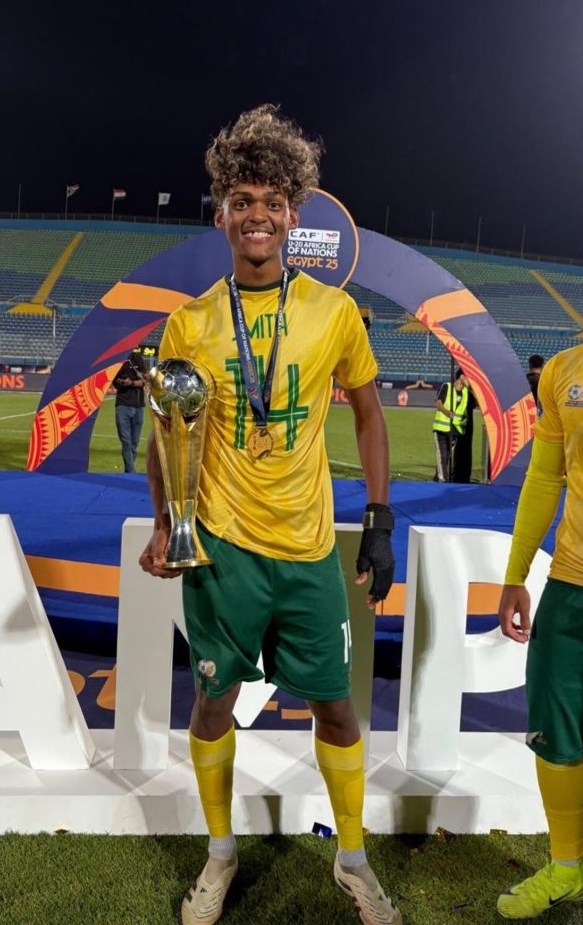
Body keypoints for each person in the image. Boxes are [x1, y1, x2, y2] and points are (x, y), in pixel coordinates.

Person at [139, 105, 400, 925]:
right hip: (221, 550)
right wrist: (166, 523)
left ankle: (352, 860)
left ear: (294, 215)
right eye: (243, 200)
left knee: (337, 707)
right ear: (221, 213)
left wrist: (381, 518)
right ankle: (221, 855)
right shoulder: (190, 321)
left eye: (273, 202)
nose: (258, 215)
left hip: (309, 549)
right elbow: (164, 435)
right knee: (213, 703)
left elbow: (369, 415)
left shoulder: (334, 312)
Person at [497, 343, 583, 919]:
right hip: (571, 583)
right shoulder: (563, 369)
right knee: (556, 732)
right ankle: (566, 868)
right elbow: (545, 477)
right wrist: (516, 573)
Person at [113, 348, 147, 472]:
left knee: (134, 444)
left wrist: (132, 383)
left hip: (138, 406)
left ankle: (128, 472)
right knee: (126, 442)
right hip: (123, 405)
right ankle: (132, 472)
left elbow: (145, 380)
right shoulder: (116, 360)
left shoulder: (138, 358)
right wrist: (122, 382)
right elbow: (114, 381)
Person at [432, 369, 469, 482]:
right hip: (441, 429)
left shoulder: (466, 392)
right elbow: (438, 402)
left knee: (446, 457)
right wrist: (446, 412)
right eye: (468, 378)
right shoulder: (447, 387)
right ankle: (443, 480)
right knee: (442, 456)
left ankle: (437, 477)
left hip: (455, 430)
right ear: (462, 377)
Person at [452, 384, 477, 483]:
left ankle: (459, 475)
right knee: (460, 449)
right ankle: (460, 475)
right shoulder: (463, 391)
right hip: (462, 423)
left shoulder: (465, 391)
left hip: (462, 423)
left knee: (461, 449)